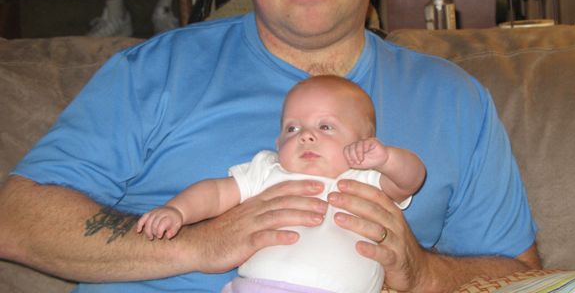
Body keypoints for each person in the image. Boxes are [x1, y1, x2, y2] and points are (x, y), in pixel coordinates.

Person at [0, 0, 541, 293]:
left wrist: (423, 274)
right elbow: (16, 219)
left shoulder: (453, 100)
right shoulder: (156, 72)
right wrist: (200, 244)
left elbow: (522, 276)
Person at [137, 75, 426, 293]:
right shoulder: (268, 170)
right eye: (292, 128)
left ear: (364, 142)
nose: (305, 135)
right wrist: (177, 211)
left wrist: (387, 159)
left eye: (325, 126)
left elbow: (410, 180)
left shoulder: (364, 177)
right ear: (278, 143)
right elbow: (215, 192)